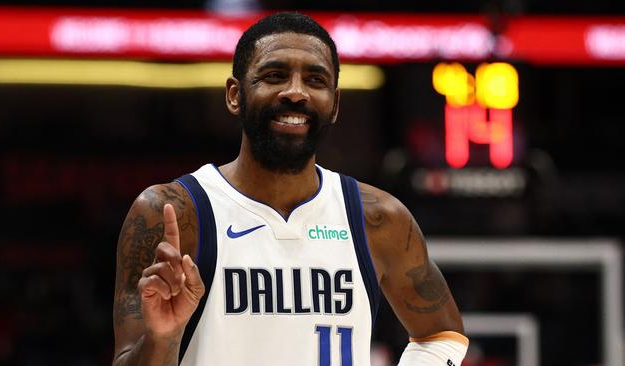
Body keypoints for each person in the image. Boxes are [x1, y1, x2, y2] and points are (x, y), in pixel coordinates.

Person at [112, 12, 467, 366]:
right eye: (274, 76)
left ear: (335, 104)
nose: (296, 92)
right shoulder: (173, 211)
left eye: (315, 79)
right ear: (235, 95)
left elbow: (442, 337)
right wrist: (163, 337)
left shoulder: (378, 218)